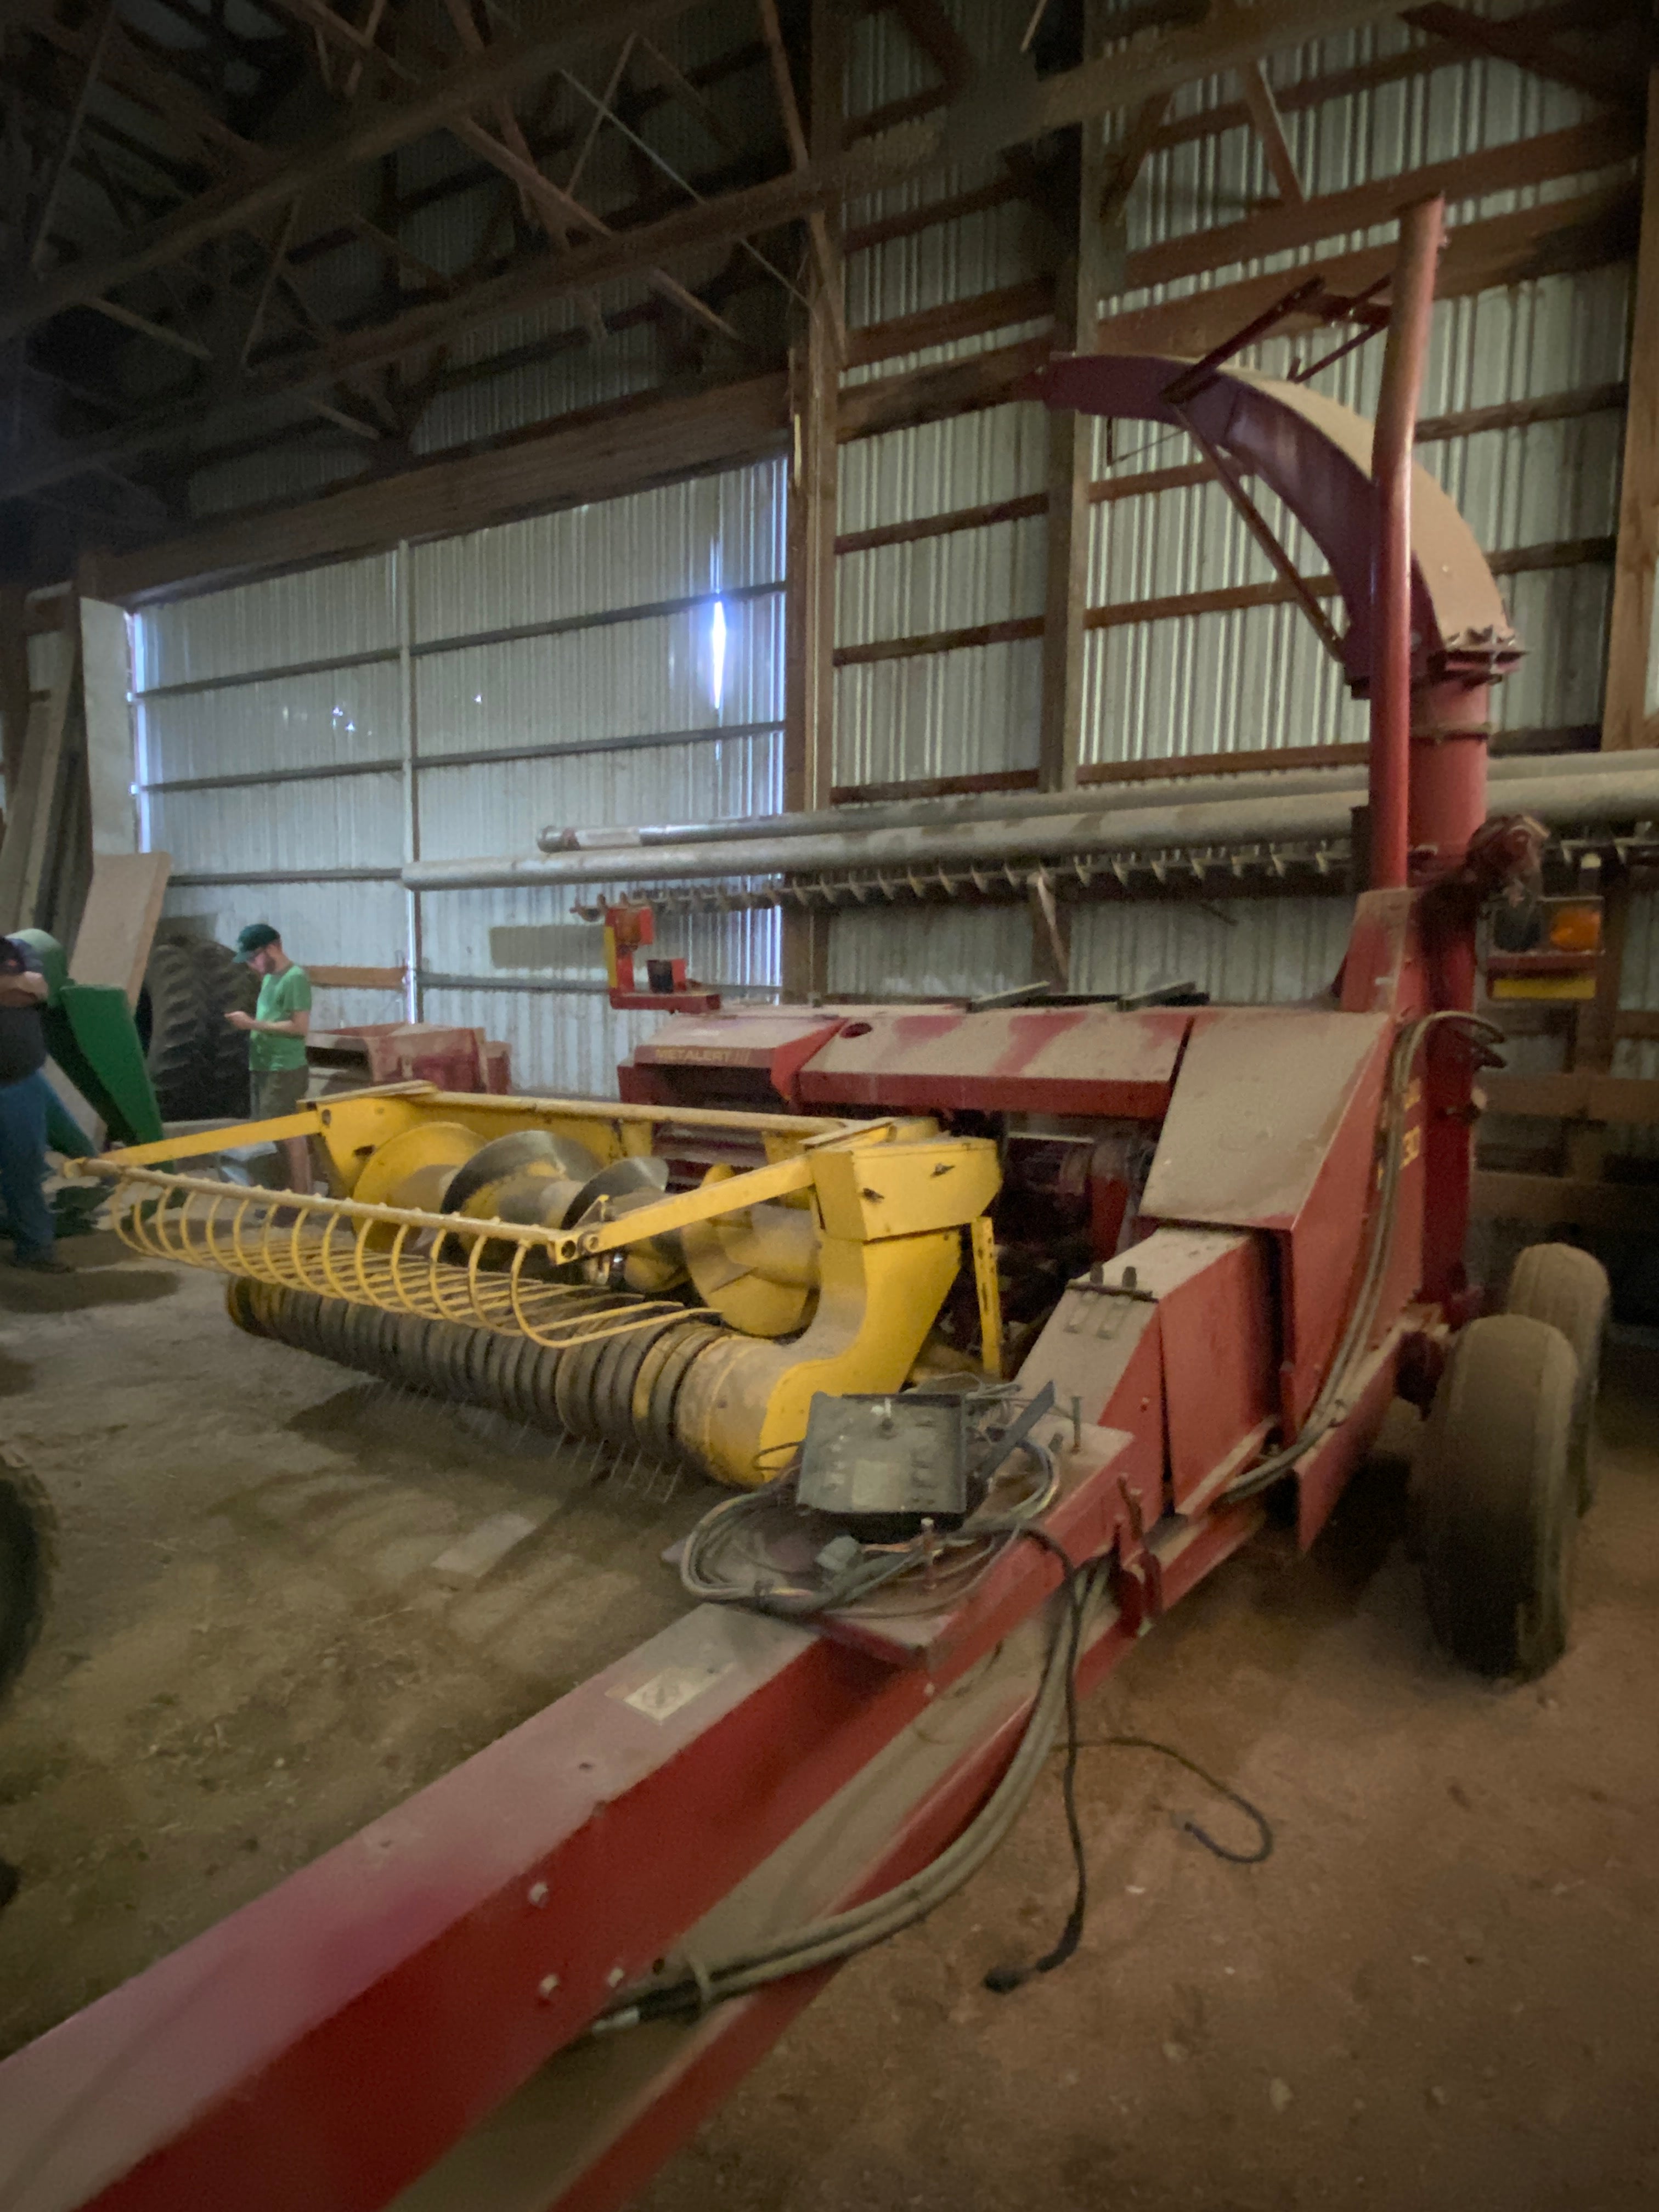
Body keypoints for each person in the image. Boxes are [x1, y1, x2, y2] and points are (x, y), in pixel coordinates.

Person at [227, 923, 314, 1192]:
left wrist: (252, 1024)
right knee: (269, 1134)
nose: (253, 965)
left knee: (288, 1133)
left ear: (273, 948)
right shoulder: (269, 978)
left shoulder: (295, 978)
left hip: (285, 1067)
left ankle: (301, 1198)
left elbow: (299, 1027)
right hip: (264, 1065)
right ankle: (283, 1195)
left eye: (255, 957)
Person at [0, 936, 67, 1272]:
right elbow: (20, 993)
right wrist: (14, 986)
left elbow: (38, 989)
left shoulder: (18, 950)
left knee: (24, 1168)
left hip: (19, 1083)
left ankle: (35, 1248)